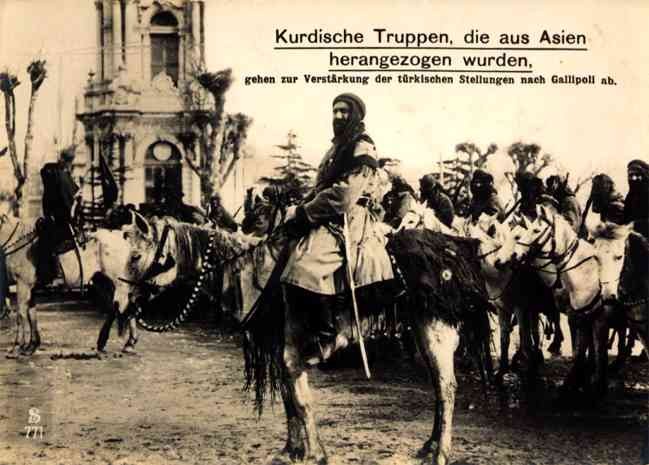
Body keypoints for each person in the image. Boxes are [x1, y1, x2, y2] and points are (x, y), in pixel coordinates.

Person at [280, 93, 394, 359]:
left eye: (344, 111)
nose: (338, 116)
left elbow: (345, 194)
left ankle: (329, 334)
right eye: (335, 111)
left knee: (304, 265)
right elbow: (321, 187)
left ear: (355, 114)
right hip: (329, 213)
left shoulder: (362, 146)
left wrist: (306, 212)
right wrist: (297, 210)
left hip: (351, 216)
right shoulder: (335, 148)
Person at [37, 147, 80, 285]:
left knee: (46, 240)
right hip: (65, 219)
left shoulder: (56, 175)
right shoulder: (62, 175)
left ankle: (53, 273)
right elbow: (69, 200)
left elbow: (63, 200)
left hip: (60, 221)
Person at [624, 159, 649, 237]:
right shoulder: (631, 196)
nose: (633, 178)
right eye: (630, 175)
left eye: (637, 175)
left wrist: (636, 225)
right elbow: (626, 219)